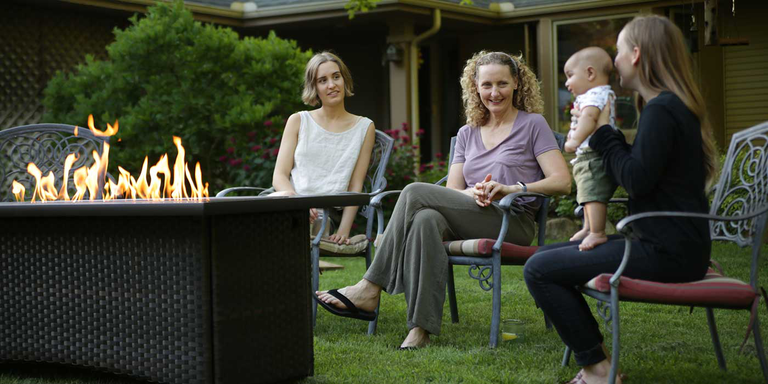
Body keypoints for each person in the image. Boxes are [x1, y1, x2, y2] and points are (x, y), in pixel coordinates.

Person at [314, 51, 570, 349]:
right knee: (426, 218)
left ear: (516, 83)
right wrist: (472, 193)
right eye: (486, 85)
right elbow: (452, 191)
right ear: (475, 87)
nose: (494, 92)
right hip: (470, 212)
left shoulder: (532, 125)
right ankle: (420, 329)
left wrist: (511, 188)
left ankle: (370, 287)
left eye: (502, 83)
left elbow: (562, 182)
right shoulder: (466, 133)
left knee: (413, 192)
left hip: (512, 221)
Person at [524, 15, 717, 384]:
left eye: (618, 51)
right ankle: (596, 362)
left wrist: (603, 134)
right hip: (671, 244)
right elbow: (642, 172)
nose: (614, 61)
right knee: (544, 256)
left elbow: (636, 180)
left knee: (538, 270)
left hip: (668, 252)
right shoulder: (666, 106)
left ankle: (597, 369)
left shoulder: (662, 109)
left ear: (637, 54)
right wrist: (609, 138)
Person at [270, 51, 376, 245]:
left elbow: (355, 186)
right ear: (314, 88)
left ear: (344, 80)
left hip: (325, 214)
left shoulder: (364, 127)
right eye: (322, 80)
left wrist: (344, 230)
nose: (331, 85)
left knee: (309, 220)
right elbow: (279, 176)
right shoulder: (298, 121)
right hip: (289, 203)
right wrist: (297, 203)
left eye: (336, 77)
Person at [562, 47, 618, 251]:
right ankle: (588, 227)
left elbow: (589, 118)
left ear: (590, 73)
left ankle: (597, 231)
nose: (567, 83)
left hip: (593, 153)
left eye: (570, 76)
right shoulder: (600, 93)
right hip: (590, 153)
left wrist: (574, 141)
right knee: (586, 192)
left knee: (593, 192)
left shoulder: (595, 95)